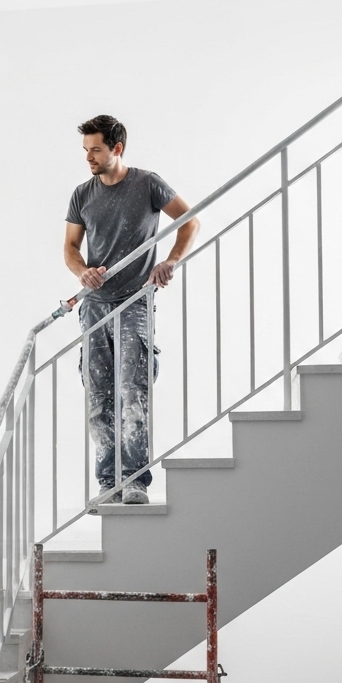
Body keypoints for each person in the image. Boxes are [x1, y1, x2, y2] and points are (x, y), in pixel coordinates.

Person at [64, 115, 200, 506]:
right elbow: (70, 248)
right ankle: (108, 483)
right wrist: (82, 271)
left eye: (96, 149)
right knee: (98, 398)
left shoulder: (147, 184)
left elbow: (190, 222)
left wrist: (170, 261)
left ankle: (135, 481)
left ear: (116, 148)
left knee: (133, 393)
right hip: (94, 307)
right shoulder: (81, 194)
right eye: (86, 150)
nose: (89, 157)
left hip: (135, 302)